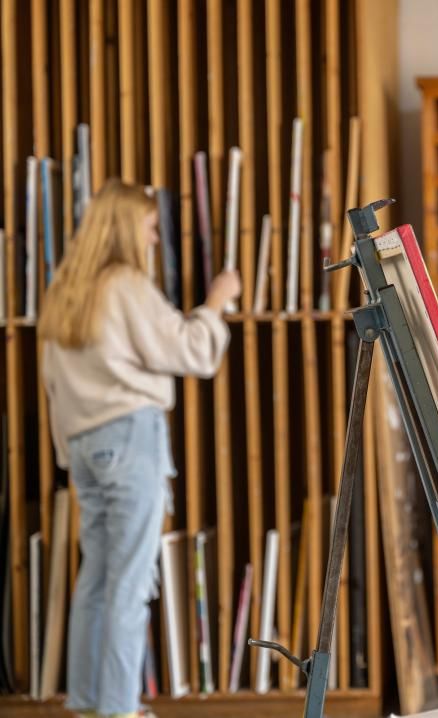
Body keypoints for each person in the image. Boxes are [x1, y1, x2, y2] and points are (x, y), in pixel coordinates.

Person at [39, 179, 240, 718]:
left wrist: (70, 453)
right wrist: (216, 304)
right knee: (129, 582)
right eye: (151, 228)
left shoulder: (64, 289)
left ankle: (85, 703)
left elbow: (53, 383)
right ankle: (120, 709)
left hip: (83, 446)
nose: (154, 239)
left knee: (97, 578)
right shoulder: (124, 285)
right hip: (130, 437)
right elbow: (191, 351)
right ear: (128, 226)